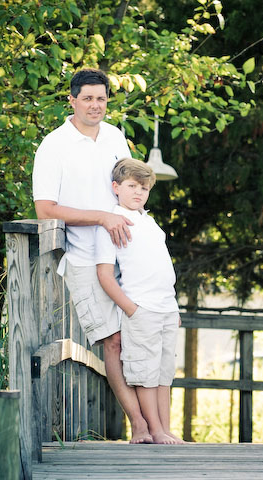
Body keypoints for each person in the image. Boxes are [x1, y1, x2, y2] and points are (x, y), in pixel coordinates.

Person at [32, 68, 153, 444]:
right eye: (87, 98)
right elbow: (45, 209)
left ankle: (158, 425)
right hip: (85, 258)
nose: (95, 105)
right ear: (71, 100)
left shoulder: (115, 136)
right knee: (112, 341)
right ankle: (140, 426)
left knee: (140, 335)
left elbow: (133, 188)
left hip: (127, 255)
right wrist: (101, 217)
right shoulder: (54, 146)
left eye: (101, 98)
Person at [95, 158, 183, 445]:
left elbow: (160, 267)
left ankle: (166, 430)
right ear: (116, 187)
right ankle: (154, 429)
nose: (138, 193)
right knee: (144, 373)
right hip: (141, 308)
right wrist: (131, 309)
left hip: (166, 307)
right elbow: (105, 274)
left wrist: (174, 305)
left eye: (144, 188)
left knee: (163, 373)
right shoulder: (113, 223)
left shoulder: (149, 222)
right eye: (132, 186)